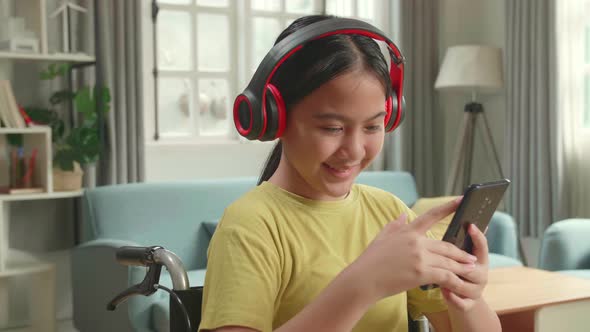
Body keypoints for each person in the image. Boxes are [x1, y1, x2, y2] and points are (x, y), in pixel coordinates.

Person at [199, 15, 501, 332]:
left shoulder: (390, 213)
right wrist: (363, 284)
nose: (355, 149)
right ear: (275, 117)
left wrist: (467, 297)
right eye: (333, 128)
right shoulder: (250, 227)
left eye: (373, 126)